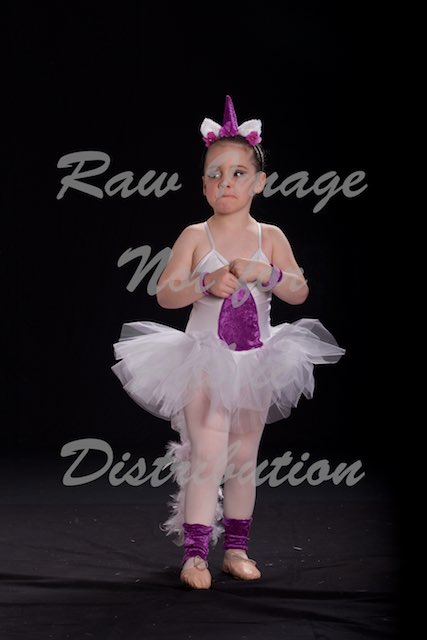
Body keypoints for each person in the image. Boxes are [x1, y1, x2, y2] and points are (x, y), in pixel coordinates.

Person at [111, 96, 345, 590]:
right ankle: (195, 555)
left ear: (260, 182)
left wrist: (269, 273)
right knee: (207, 455)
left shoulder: (270, 236)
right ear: (203, 185)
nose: (226, 183)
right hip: (203, 362)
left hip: (256, 362)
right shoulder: (195, 235)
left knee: (242, 457)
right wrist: (204, 283)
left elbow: (299, 290)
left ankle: (236, 549)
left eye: (238, 173)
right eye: (214, 175)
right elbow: (165, 293)